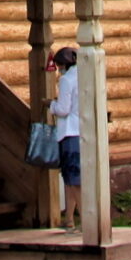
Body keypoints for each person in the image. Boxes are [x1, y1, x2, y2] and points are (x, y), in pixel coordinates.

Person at [47, 46, 83, 230]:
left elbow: (63, 109)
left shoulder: (66, 80)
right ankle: (69, 219)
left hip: (69, 132)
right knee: (70, 179)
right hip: (81, 131)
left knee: (74, 179)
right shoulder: (83, 76)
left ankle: (85, 220)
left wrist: (51, 105)